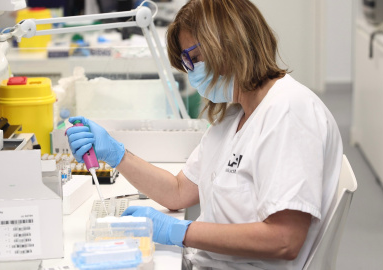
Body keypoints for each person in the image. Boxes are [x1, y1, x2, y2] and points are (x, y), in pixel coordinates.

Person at [66, 0, 343, 269]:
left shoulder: (289, 112)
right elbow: (178, 192)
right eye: (188, 63)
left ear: (231, 42)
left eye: (195, 58)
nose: (192, 72)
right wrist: (116, 154)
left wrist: (181, 231)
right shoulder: (235, 115)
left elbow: (284, 240)